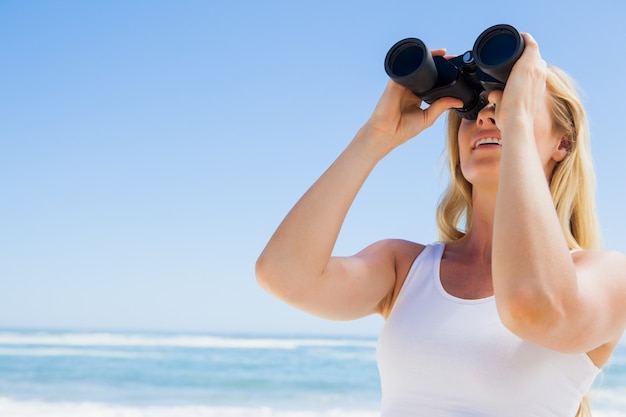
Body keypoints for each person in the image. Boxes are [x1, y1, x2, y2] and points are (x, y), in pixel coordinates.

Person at [255, 31, 626, 417]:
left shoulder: (606, 275)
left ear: (562, 144)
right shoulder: (407, 268)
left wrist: (514, 122)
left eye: (510, 102)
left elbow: (532, 307)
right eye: (474, 108)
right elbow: (283, 275)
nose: (487, 114)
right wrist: (376, 137)